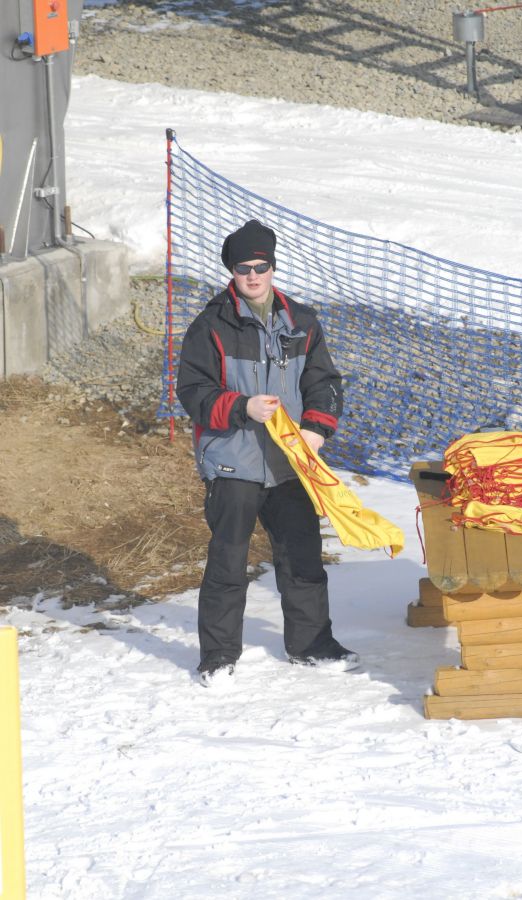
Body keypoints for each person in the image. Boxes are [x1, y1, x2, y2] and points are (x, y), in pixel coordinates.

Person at [176, 219, 359, 686]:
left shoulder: (302, 322)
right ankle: (218, 658)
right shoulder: (210, 326)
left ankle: (311, 644)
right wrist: (243, 407)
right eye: (243, 268)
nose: (253, 275)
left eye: (261, 266)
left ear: (273, 268)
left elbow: (323, 383)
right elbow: (193, 392)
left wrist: (316, 430)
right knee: (228, 563)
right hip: (232, 462)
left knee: (302, 559)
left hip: (289, 463)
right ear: (232, 272)